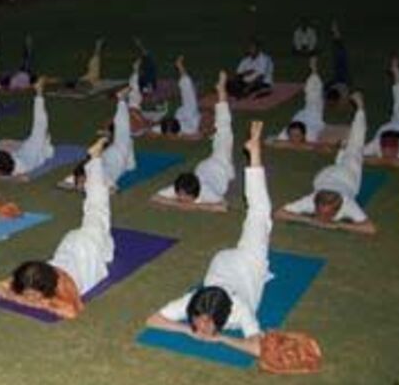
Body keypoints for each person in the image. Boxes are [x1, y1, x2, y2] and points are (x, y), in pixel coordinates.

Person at [145, 121, 271, 357]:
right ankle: (253, 153)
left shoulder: (239, 309)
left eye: (206, 322)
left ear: (222, 317)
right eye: (198, 320)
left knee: (259, 213)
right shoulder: (193, 301)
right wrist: (187, 330)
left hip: (249, 263)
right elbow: (153, 319)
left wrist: (221, 338)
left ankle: (255, 154)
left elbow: (258, 348)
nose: (201, 327)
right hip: (222, 263)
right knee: (259, 216)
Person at [0, 138, 112, 318]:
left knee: (97, 206)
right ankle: (94, 161)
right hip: (71, 245)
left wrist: (37, 302)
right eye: (28, 294)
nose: (31, 299)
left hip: (89, 246)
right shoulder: (28, 278)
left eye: (33, 295)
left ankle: (95, 159)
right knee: (102, 231)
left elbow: (73, 311)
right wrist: (22, 297)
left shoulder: (64, 285)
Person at [277, 93, 376, 234]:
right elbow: (279, 213)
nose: (322, 218)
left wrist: (337, 225)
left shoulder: (348, 204)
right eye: (320, 212)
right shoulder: (312, 200)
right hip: (325, 175)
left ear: (337, 210)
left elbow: (370, 229)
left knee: (356, 144)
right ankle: (342, 150)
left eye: (326, 214)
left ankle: (360, 109)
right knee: (350, 150)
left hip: (347, 174)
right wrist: (309, 220)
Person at [154, 72, 234, 206]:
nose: (180, 198)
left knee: (224, 128)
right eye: (179, 195)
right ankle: (221, 92)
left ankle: (221, 92)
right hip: (206, 169)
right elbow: (156, 197)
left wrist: (194, 206)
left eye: (183, 197)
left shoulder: (207, 193)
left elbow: (223, 206)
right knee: (223, 130)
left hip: (222, 163)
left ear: (195, 194)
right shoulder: (181, 188)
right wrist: (180, 204)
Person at [0, 77, 54, 177]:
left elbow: (40, 121)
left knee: (39, 125)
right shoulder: (17, 162)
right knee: (4, 143)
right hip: (28, 151)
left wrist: (39, 94)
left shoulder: (24, 162)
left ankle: (39, 91)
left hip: (33, 150)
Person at [77, 88, 134, 190]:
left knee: (123, 130)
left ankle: (121, 100)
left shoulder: (97, 175)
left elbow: (114, 189)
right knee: (124, 133)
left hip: (115, 156)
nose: (81, 183)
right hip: (113, 157)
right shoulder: (97, 176)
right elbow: (114, 189)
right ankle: (122, 101)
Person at [276, 56, 325, 144]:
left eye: (297, 136)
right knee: (312, 97)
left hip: (313, 116)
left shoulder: (311, 135)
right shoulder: (284, 134)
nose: (294, 139)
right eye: (292, 135)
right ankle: (313, 71)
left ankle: (313, 71)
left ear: (303, 135)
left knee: (314, 95)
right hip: (305, 117)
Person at [157, 55, 201, 136]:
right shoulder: (190, 130)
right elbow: (197, 136)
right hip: (189, 115)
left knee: (187, 85)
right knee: (187, 84)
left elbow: (151, 131)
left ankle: (179, 65)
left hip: (183, 115)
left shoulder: (184, 128)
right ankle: (179, 65)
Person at [325, 21, 351, 103]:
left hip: (341, 79)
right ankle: (335, 32)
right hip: (340, 79)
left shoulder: (341, 90)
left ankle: (335, 32)